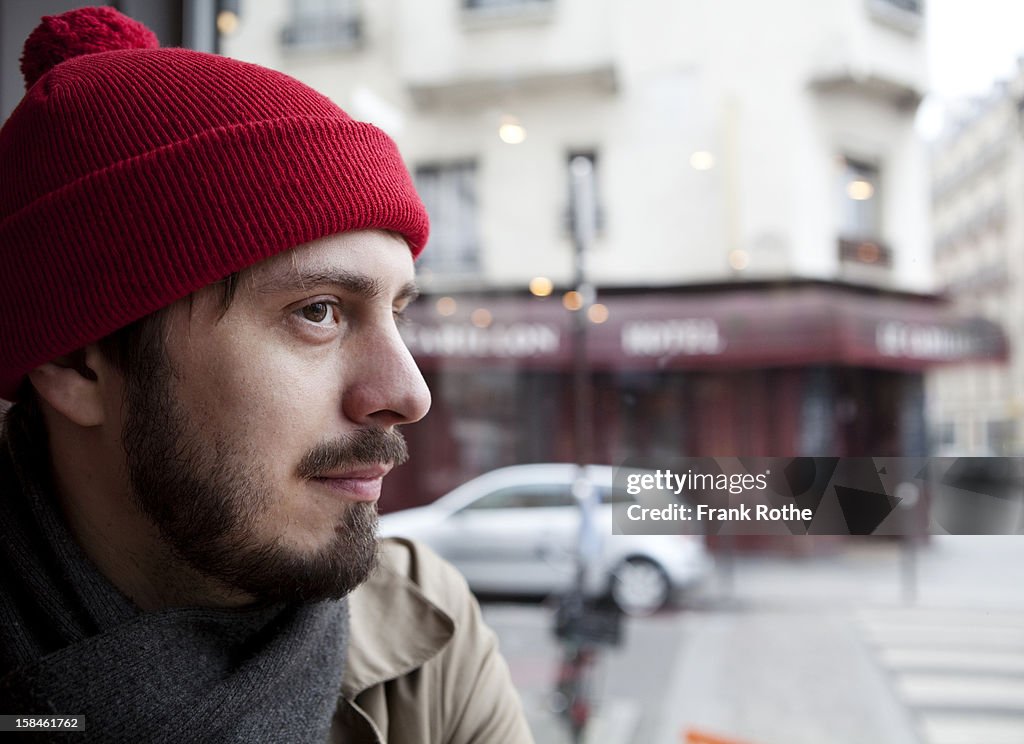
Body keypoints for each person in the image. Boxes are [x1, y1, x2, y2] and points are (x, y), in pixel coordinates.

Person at [0, 7, 534, 743]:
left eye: (398, 312)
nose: (409, 396)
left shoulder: (422, 621)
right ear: (74, 364)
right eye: (319, 311)